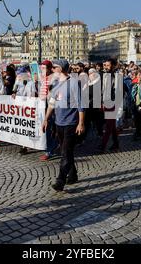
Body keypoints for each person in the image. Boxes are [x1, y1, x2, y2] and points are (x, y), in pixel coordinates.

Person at [42, 59, 85, 192]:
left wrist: (81, 123)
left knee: (65, 152)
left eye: (54, 67)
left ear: (60, 68)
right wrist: (46, 119)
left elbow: (80, 104)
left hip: (70, 123)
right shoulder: (56, 83)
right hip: (58, 123)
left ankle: (60, 180)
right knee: (65, 151)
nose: (52, 69)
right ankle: (72, 175)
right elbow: (52, 103)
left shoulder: (73, 82)